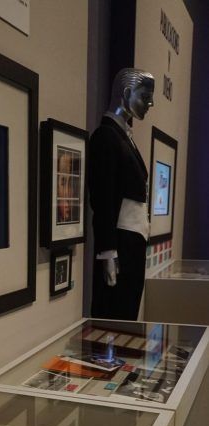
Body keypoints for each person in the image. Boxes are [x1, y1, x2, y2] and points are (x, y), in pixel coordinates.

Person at [90, 68, 155, 320]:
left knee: (127, 314)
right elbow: (103, 200)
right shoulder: (106, 137)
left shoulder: (124, 137)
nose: (150, 104)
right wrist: (107, 251)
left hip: (131, 244)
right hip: (120, 244)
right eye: (145, 96)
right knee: (114, 314)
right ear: (127, 93)